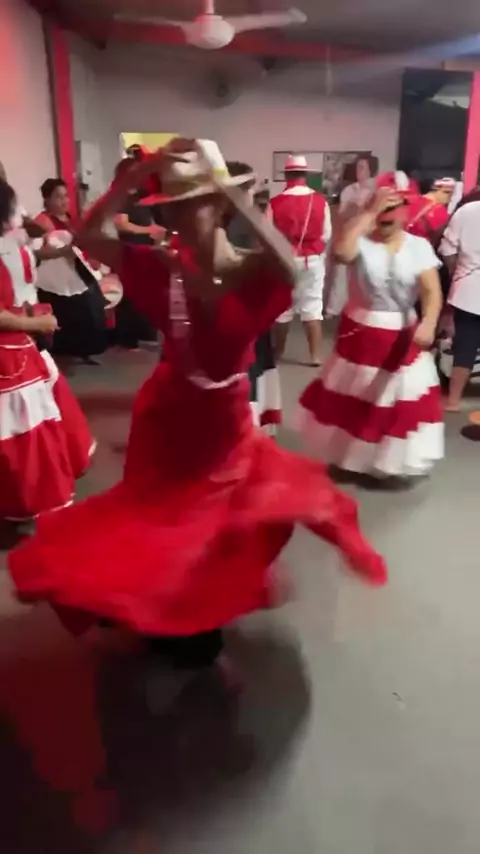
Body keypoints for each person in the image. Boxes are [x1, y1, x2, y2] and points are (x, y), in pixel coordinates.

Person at [8, 140, 386, 682]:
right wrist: (132, 178)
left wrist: (234, 192)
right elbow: (90, 236)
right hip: (167, 417)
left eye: (192, 204)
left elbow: (293, 269)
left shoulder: (254, 272)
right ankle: (150, 607)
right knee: (156, 520)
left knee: (212, 526)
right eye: (171, 207)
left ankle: (190, 615)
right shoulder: (162, 269)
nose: (178, 216)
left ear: (222, 206)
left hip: (224, 423)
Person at [299, 173, 444, 480]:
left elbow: (431, 291)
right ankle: (350, 458)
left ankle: (383, 461)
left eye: (394, 207)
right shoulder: (360, 241)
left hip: (403, 336)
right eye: (382, 208)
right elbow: (341, 253)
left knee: (393, 400)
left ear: (406, 210)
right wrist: (368, 213)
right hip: (361, 334)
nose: (386, 215)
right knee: (355, 398)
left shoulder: (418, 246)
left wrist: (429, 322)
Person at [0, 179, 95, 522]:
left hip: (21, 341)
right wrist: (34, 323)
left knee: (40, 415)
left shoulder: (12, 237)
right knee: (21, 426)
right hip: (9, 350)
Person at [225, 160, 281, 433]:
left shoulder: (234, 219)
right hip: (240, 305)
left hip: (241, 303)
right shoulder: (244, 221)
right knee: (247, 368)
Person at [34, 178, 108, 365]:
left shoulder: (71, 219)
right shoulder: (42, 221)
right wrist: (61, 251)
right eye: (58, 197)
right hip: (54, 279)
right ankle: (60, 353)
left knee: (91, 307)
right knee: (65, 313)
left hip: (77, 272)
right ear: (47, 199)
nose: (64, 201)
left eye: (66, 196)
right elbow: (37, 252)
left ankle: (85, 350)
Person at [270, 154, 332, 366]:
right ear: (305, 174)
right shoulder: (320, 201)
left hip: (285, 260)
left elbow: (269, 235)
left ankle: (278, 353)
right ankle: (315, 356)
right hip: (312, 259)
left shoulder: (275, 203)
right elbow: (326, 234)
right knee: (312, 307)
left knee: (282, 308)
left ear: (287, 175)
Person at [113, 158, 165, 350]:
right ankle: (128, 339)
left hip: (146, 250)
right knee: (130, 296)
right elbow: (121, 224)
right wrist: (148, 230)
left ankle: (144, 334)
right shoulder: (122, 197)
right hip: (130, 249)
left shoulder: (143, 195)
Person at [439, 198, 480, 411]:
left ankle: (453, 399)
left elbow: (447, 249)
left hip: (468, 288)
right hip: (468, 287)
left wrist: (456, 271)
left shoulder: (467, 211)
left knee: (465, 345)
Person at [326, 154, 376, 319]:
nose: (358, 171)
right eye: (357, 167)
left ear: (371, 169)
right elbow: (341, 213)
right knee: (341, 274)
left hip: (368, 238)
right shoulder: (349, 190)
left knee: (365, 275)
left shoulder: (377, 189)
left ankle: (364, 309)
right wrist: (354, 206)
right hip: (349, 234)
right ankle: (333, 310)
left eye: (362, 167)